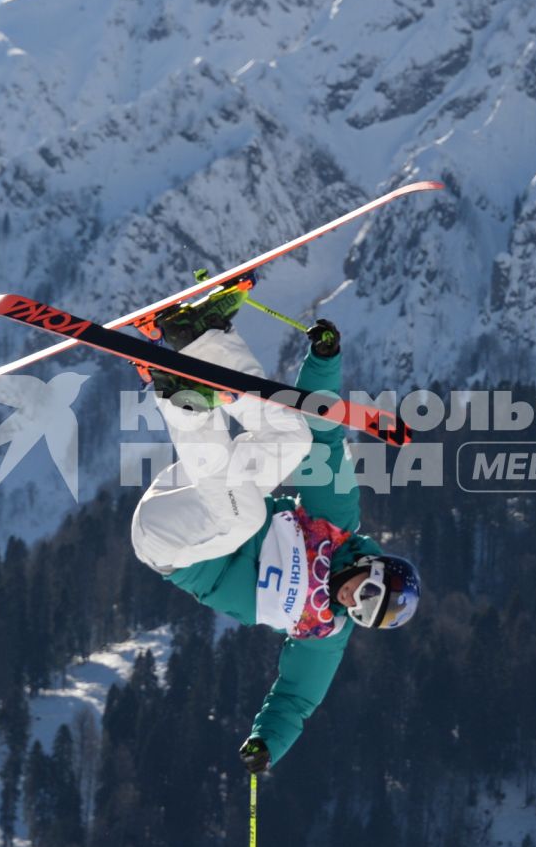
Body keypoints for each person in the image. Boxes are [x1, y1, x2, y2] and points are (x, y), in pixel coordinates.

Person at [128, 291, 420, 774]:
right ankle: (202, 341)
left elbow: (296, 700)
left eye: (363, 615)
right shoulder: (335, 523)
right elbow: (323, 432)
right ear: (373, 566)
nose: (353, 603)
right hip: (199, 487)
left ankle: (180, 397)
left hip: (171, 544)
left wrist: (266, 745)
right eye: (368, 593)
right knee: (294, 438)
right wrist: (324, 360)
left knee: (239, 517)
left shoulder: (322, 633)